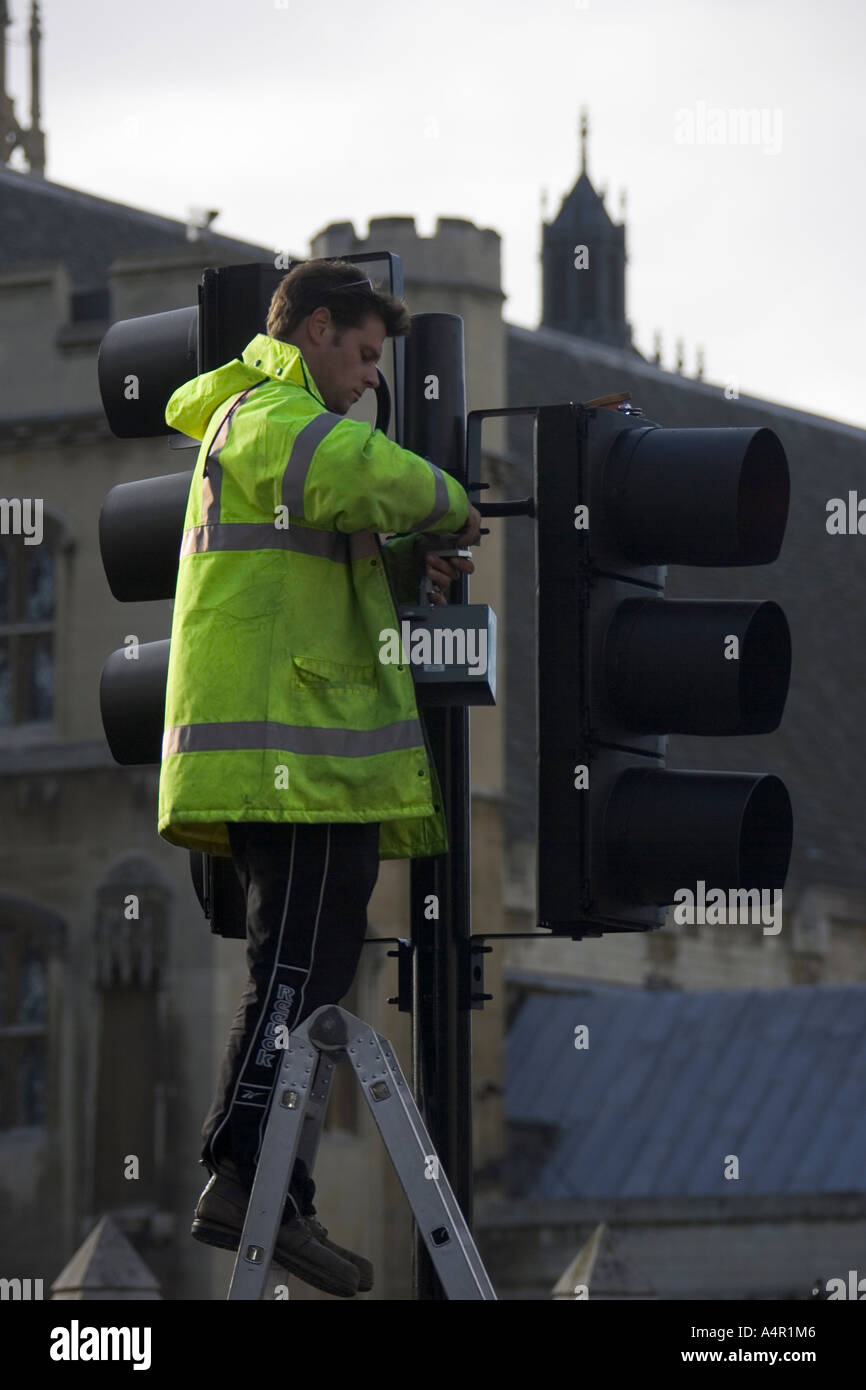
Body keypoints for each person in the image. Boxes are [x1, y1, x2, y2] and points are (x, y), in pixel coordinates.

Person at [156, 259, 483, 1298]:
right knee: (291, 973)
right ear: (312, 329)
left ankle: (273, 1197)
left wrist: (405, 564)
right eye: (362, 353)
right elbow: (345, 469)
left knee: (307, 979)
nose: (366, 376)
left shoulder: (295, 435)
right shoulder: (259, 412)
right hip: (282, 757)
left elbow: (327, 552)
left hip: (312, 755)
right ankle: (240, 1168)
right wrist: (445, 501)